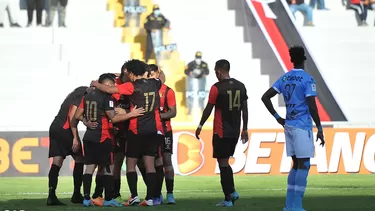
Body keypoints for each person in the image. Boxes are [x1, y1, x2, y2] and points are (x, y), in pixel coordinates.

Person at [91, 60, 164, 207]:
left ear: (131, 73)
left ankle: (134, 196)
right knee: (150, 165)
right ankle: (150, 198)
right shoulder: (154, 83)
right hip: (151, 130)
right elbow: (162, 77)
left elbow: (110, 90)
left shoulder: (131, 86)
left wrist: (95, 83)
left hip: (136, 130)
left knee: (131, 164)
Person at [261, 46, 325, 211]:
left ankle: (289, 206)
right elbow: (311, 105)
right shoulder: (307, 79)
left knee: (296, 164)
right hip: (302, 126)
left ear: (292, 59)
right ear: (304, 59)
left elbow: (265, 97)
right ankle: (296, 206)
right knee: (304, 165)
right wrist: (319, 127)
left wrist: (278, 118)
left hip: (288, 124)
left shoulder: (284, 78)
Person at [72, 73, 144, 207]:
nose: (114, 87)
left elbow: (77, 115)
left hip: (89, 137)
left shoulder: (87, 96)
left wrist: (86, 122)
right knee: (108, 168)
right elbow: (114, 118)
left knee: (90, 168)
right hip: (103, 137)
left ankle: (86, 199)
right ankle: (109, 199)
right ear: (107, 85)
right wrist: (131, 114)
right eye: (113, 85)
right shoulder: (107, 98)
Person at [195, 59, 248, 207]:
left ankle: (230, 196)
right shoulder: (240, 86)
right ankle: (230, 194)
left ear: (218, 71)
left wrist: (200, 125)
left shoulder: (216, 87)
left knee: (222, 163)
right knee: (224, 162)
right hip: (234, 131)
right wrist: (245, 129)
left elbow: (208, 108)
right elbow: (245, 108)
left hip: (221, 130)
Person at [47, 86, 95, 206]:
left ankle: (51, 195)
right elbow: (72, 117)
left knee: (57, 161)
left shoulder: (76, 93)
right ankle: (76, 194)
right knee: (79, 159)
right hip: (65, 128)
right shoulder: (82, 96)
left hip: (55, 127)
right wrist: (75, 137)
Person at [149, 64, 177, 204]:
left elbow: (173, 112)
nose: (150, 77)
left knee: (166, 161)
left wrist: (158, 116)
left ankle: (170, 193)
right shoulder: (145, 91)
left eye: (152, 74)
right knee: (153, 163)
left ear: (158, 74)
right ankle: (157, 193)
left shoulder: (167, 91)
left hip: (165, 130)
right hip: (150, 131)